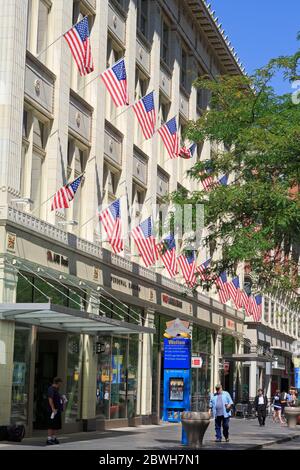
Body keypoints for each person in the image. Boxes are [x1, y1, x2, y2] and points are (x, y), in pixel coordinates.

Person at [46, 377, 64, 445]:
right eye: (60, 383)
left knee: (55, 425)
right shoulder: (51, 389)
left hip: (57, 410)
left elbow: (57, 399)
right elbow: (50, 399)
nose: (61, 384)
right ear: (58, 382)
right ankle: (49, 439)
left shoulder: (57, 389)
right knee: (51, 424)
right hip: (52, 411)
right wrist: (53, 408)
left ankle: (53, 438)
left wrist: (62, 399)